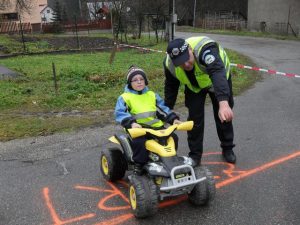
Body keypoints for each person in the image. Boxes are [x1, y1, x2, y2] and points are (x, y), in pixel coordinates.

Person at [163, 36, 236, 166]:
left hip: (217, 81)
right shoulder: (170, 64)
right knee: (194, 120)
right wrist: (166, 112)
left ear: (190, 50)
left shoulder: (206, 50)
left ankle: (227, 148)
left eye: (187, 59)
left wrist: (224, 103)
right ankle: (195, 155)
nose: (186, 64)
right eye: (180, 62)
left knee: (223, 116)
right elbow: (171, 87)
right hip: (194, 87)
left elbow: (217, 72)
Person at [115, 65, 181, 174]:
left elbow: (162, 109)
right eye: (135, 80)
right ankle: (139, 165)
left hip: (156, 127)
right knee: (139, 143)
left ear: (145, 81)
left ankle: (169, 159)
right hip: (138, 129)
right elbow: (121, 113)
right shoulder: (125, 97)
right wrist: (132, 123)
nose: (139, 82)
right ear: (129, 83)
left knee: (173, 137)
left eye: (141, 79)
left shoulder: (152, 95)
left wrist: (173, 119)